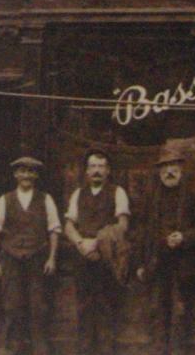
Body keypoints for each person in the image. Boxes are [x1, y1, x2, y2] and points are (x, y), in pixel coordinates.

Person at [135, 145, 195, 355]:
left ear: (181, 169)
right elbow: (141, 230)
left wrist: (184, 237)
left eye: (174, 166)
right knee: (157, 311)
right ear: (159, 171)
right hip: (157, 261)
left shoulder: (193, 195)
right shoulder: (151, 196)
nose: (169, 171)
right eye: (165, 167)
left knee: (182, 312)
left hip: (184, 263)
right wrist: (140, 262)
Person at [0, 155, 61, 355]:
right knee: (12, 305)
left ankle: (40, 349)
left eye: (31, 171)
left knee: (39, 306)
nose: (26, 175)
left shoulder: (46, 199)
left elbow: (54, 230)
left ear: (36, 175)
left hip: (37, 258)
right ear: (15, 174)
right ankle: (15, 349)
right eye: (22, 171)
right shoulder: (4, 200)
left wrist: (52, 258)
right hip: (11, 258)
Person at [64, 149, 130, 355]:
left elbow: (123, 225)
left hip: (107, 258)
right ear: (86, 171)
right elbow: (68, 226)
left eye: (101, 166)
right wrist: (80, 243)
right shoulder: (78, 193)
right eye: (93, 166)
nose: (97, 171)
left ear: (108, 170)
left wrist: (98, 242)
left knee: (105, 306)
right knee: (84, 306)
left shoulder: (117, 192)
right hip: (83, 256)